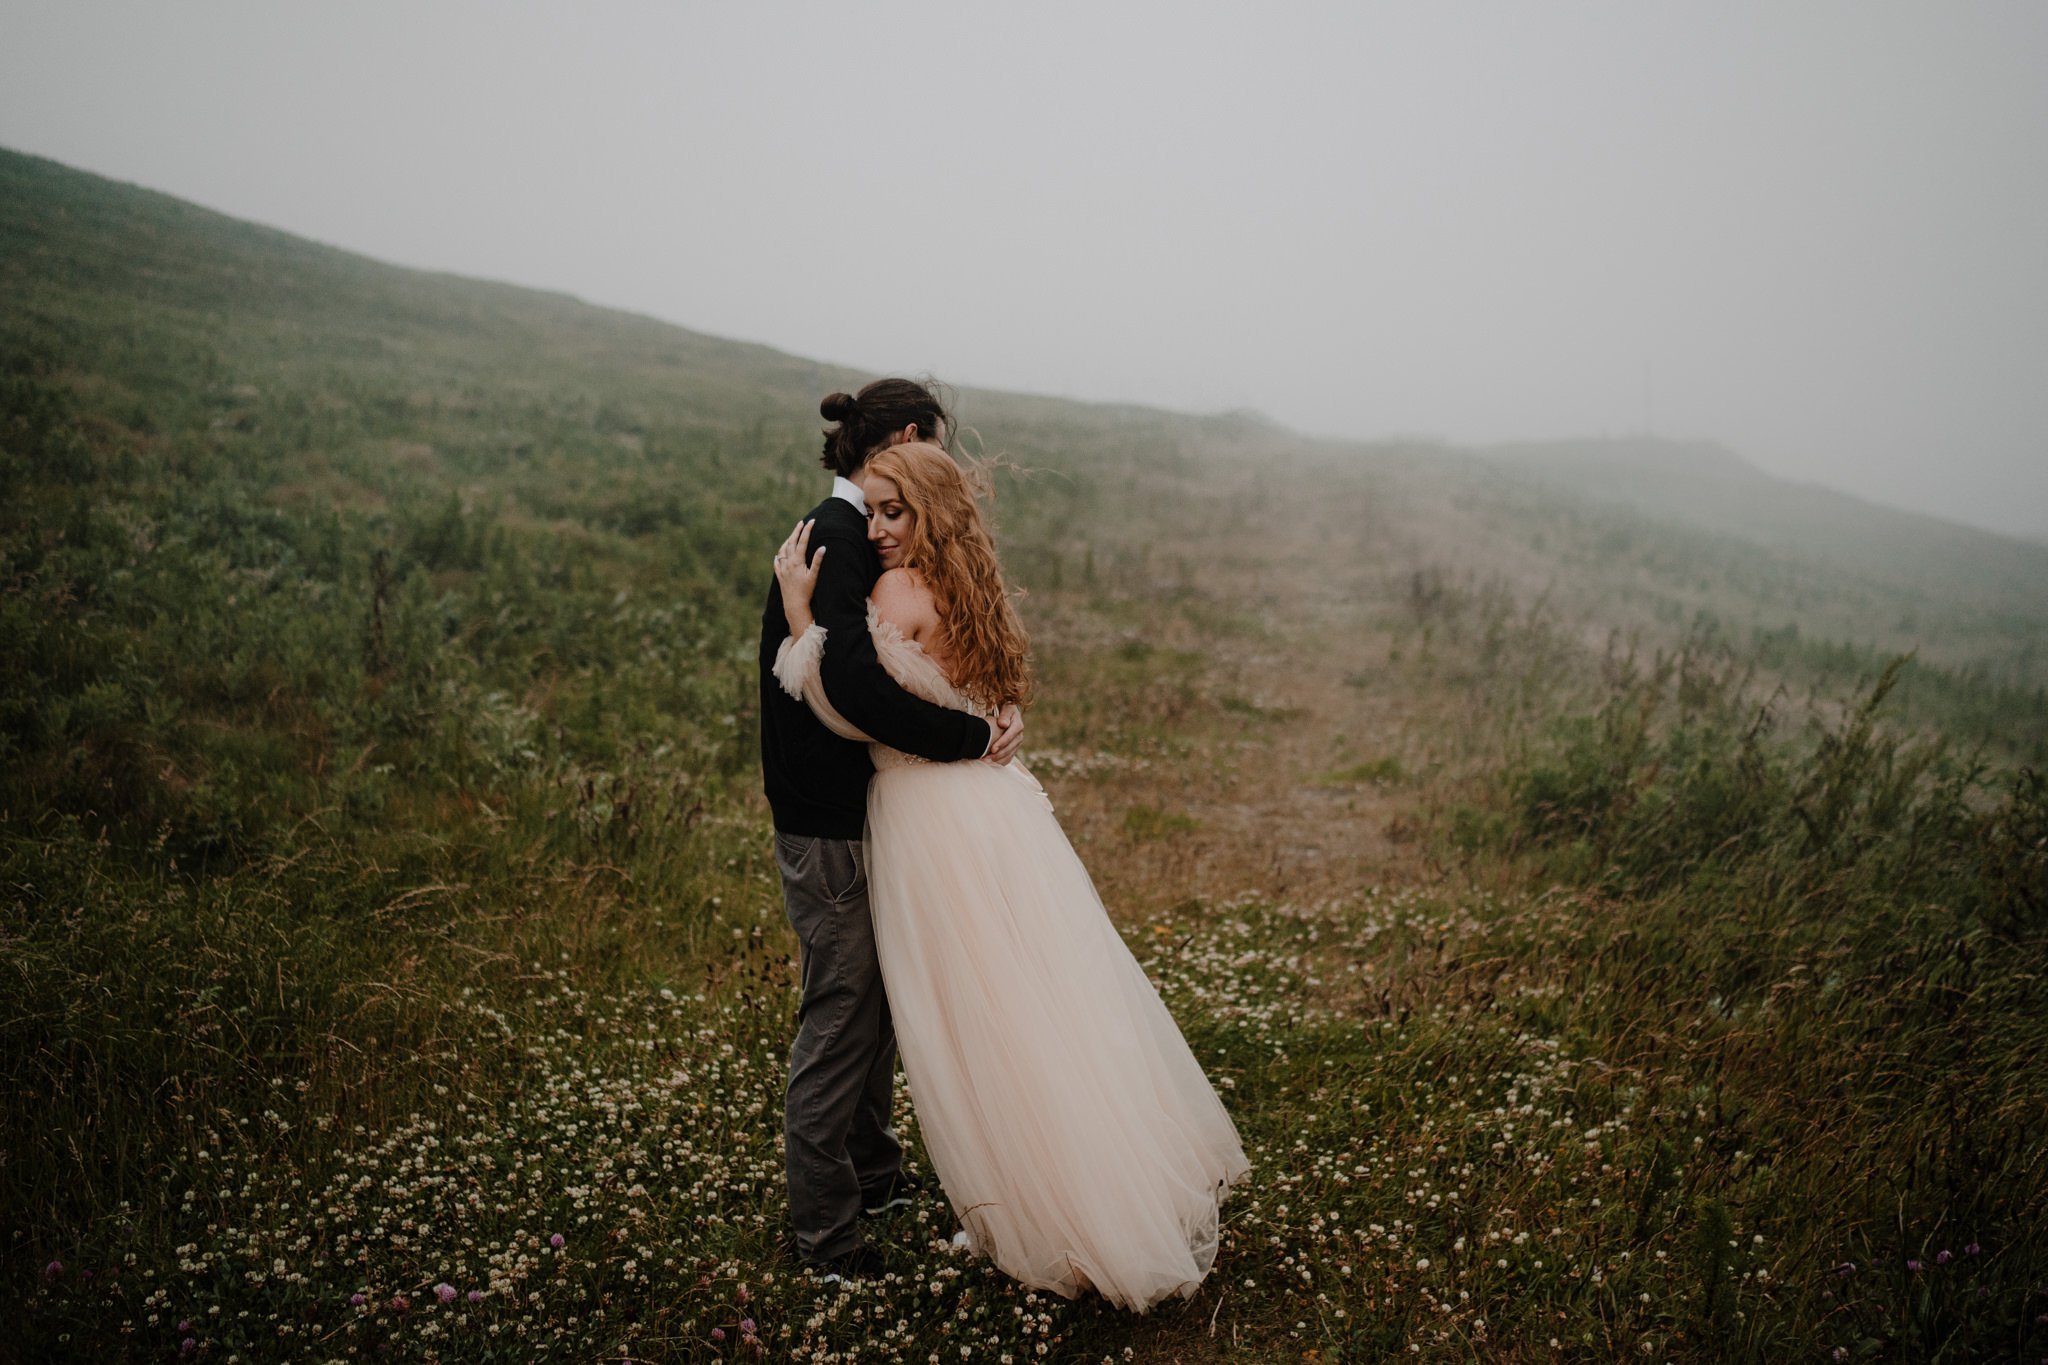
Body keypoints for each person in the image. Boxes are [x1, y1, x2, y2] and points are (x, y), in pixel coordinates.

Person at [770, 437, 1250, 1311]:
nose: (875, 528)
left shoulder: (895, 591)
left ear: (929, 512)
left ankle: (1047, 1207)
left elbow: (850, 711)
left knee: (975, 1021)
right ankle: (1084, 1184)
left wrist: (802, 617)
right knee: (1035, 999)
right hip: (993, 810)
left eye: (894, 510)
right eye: (871, 509)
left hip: (931, 820)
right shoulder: (968, 585)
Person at [758, 379, 1027, 1281]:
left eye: (893, 511)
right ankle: (828, 1238)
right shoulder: (836, 538)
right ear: (910, 439)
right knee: (845, 1015)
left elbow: (909, 668)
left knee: (874, 1011)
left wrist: (984, 718)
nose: (879, 523)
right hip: (832, 818)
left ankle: (873, 1175)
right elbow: (857, 693)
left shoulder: (866, 544)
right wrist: (971, 733)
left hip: (885, 809)